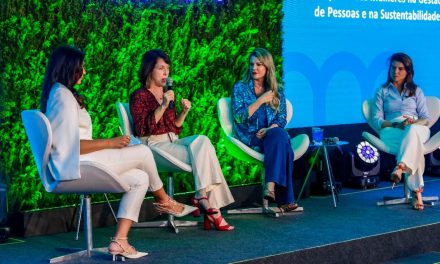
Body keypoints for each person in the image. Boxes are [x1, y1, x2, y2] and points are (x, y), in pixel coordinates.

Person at [40, 45, 196, 260]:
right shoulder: (63, 97)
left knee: (140, 178)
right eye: (81, 67)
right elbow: (71, 147)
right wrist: (111, 143)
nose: (84, 71)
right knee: (142, 152)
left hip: (79, 160)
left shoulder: (60, 93)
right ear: (68, 67)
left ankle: (119, 241)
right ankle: (164, 200)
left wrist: (114, 143)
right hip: (74, 165)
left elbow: (73, 140)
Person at [130, 49, 235, 231]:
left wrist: (184, 112)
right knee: (205, 155)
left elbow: (174, 126)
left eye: (168, 69)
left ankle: (202, 197)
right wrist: (163, 105)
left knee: (203, 141)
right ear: (149, 70)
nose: (166, 73)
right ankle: (213, 211)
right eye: (161, 68)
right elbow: (142, 129)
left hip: (171, 141)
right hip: (152, 146)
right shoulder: (139, 95)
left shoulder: (168, 93)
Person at [231, 47, 298, 212]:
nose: (254, 68)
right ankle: (284, 198)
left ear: (267, 67)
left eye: (259, 64)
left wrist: (270, 129)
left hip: (270, 135)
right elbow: (239, 117)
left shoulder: (277, 90)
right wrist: (260, 100)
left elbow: (281, 118)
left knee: (278, 135)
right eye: (252, 64)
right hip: (250, 137)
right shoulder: (240, 88)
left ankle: (270, 187)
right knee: (285, 147)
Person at [373, 52, 431, 211]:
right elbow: (377, 119)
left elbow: (426, 118)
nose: (395, 72)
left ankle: (400, 167)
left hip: (417, 127)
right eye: (393, 68)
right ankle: (416, 192)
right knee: (414, 144)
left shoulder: (416, 90)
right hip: (393, 129)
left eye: (400, 69)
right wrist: (394, 124)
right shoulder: (382, 91)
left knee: (413, 133)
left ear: (408, 72)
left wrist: (414, 123)